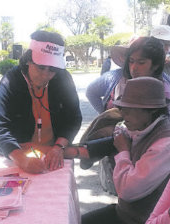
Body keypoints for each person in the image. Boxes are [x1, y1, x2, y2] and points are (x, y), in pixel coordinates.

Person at [65, 77, 170, 224]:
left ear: (151, 111)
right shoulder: (142, 125)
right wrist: (69, 151)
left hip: (140, 219)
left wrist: (123, 151)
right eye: (122, 108)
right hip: (124, 213)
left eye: (129, 109)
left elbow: (128, 190)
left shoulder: (164, 143)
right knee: (75, 220)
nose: (123, 114)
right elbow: (112, 143)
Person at [0, 30, 82, 174]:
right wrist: (21, 159)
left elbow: (74, 118)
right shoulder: (11, 81)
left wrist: (59, 147)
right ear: (28, 60)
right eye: (41, 67)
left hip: (54, 151)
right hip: (17, 153)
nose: (46, 74)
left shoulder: (63, 78)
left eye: (52, 69)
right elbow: (0, 128)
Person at [86, 36, 170, 115]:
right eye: (131, 61)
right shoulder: (114, 77)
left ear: (156, 65)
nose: (134, 68)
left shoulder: (165, 88)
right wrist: (105, 115)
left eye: (141, 63)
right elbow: (91, 91)